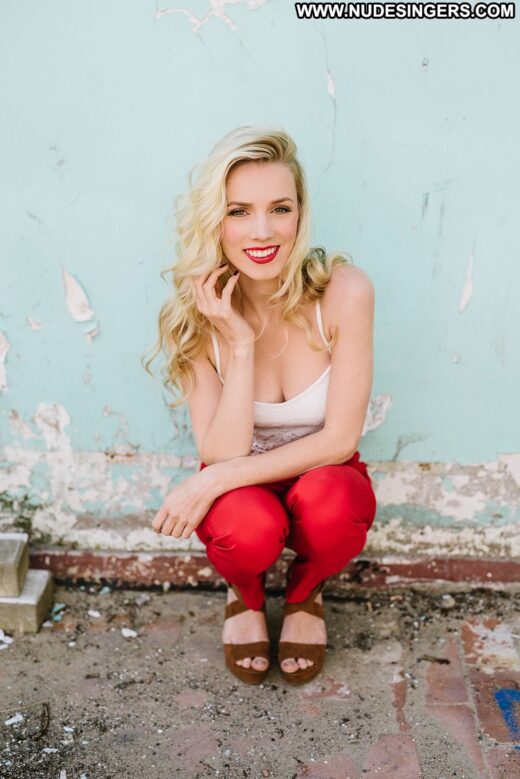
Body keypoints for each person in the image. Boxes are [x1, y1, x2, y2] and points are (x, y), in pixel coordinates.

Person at [144, 125, 377, 686]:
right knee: (244, 526)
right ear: (215, 222)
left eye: (280, 209)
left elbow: (340, 440)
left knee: (335, 503)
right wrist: (241, 344)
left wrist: (207, 482)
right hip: (241, 494)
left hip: (322, 474)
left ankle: (305, 594)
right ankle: (245, 594)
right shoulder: (197, 315)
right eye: (239, 212)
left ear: (300, 213)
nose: (263, 231)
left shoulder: (344, 292)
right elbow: (223, 452)